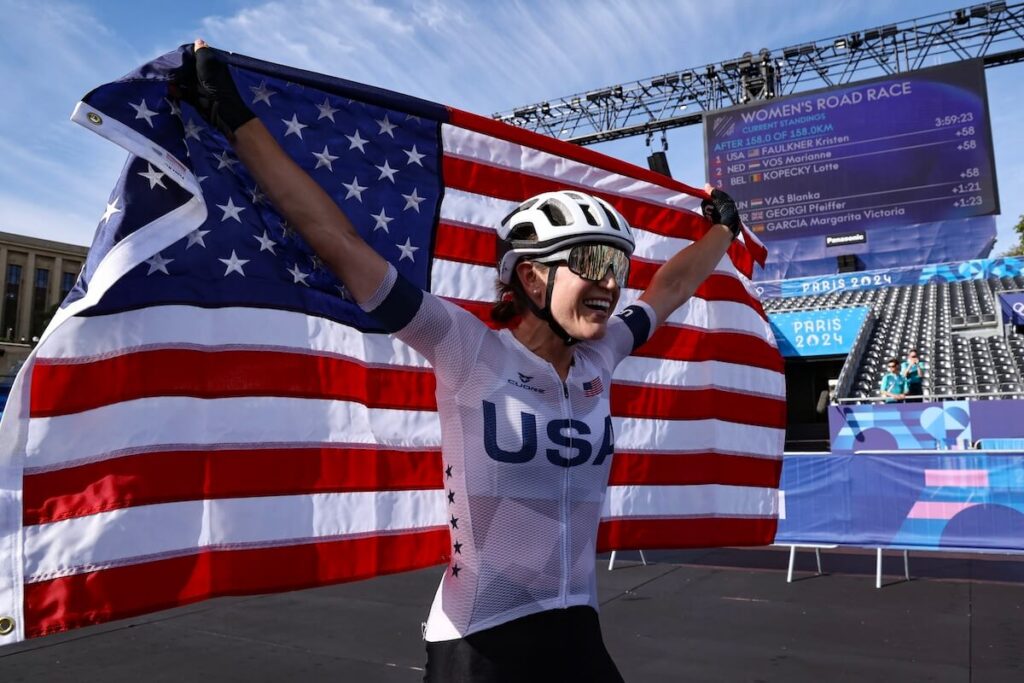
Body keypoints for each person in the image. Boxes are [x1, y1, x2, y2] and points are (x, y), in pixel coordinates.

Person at [181, 40, 742, 682]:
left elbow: (666, 289)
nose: (612, 283)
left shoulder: (602, 354)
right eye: (592, 264)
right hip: (480, 638)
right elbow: (335, 241)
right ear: (531, 280)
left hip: (577, 623)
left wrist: (720, 230)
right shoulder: (466, 347)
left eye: (615, 265)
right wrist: (235, 118)